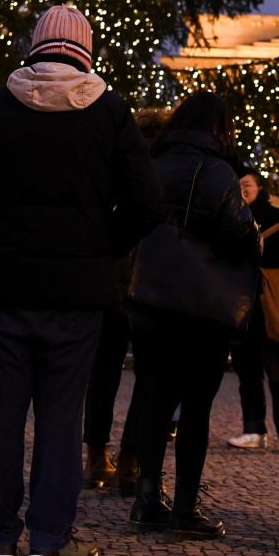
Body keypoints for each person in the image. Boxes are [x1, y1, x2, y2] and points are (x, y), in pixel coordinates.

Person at [0, 5, 161, 556]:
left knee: (2, 412)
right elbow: (145, 203)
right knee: (62, 416)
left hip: (7, 281)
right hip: (77, 289)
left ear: (35, 48)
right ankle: (50, 537)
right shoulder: (110, 112)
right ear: (87, 53)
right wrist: (99, 245)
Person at [126, 92, 261, 539]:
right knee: (196, 408)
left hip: (150, 300)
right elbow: (239, 233)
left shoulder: (152, 161)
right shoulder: (219, 171)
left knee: (154, 399)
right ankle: (184, 508)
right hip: (201, 309)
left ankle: (146, 499)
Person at [82, 108, 169, 495]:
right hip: (153, 285)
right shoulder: (169, 170)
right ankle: (131, 462)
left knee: (103, 373)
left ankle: (96, 457)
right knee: (148, 377)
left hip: (110, 281)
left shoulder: (115, 165)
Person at [227, 167, 279, 455]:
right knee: (247, 374)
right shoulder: (230, 217)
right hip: (242, 310)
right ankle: (253, 429)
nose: (243, 189)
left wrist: (256, 253)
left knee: (278, 374)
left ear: (259, 187)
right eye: (238, 185)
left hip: (269, 307)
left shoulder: (278, 219)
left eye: (247, 184)